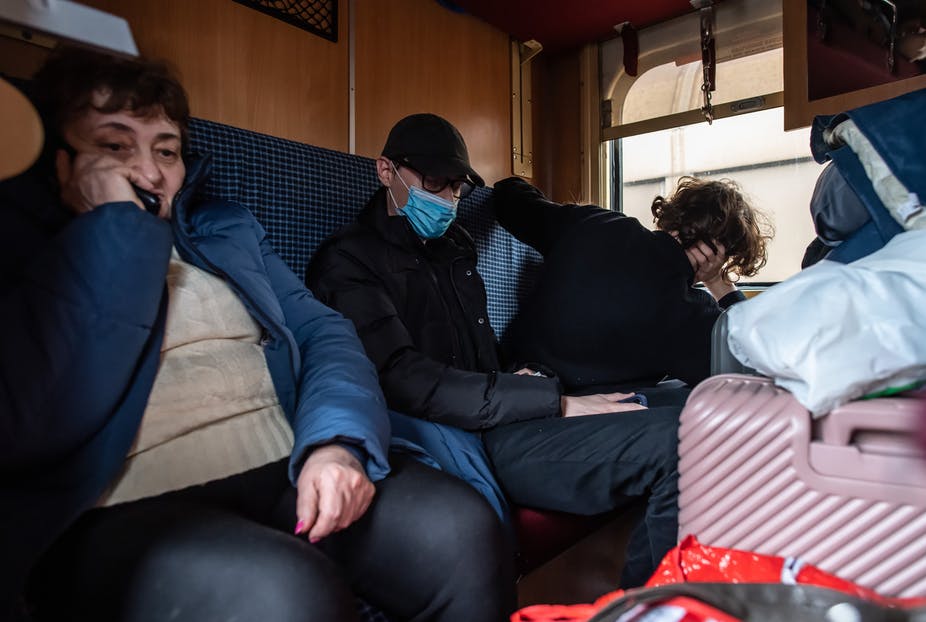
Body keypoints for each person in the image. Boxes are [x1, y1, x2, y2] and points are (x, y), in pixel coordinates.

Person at [0, 51, 512, 622]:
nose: (148, 173)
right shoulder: (28, 250)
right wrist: (113, 231)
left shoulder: (227, 231)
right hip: (122, 504)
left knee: (459, 529)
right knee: (281, 590)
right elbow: (31, 419)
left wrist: (335, 443)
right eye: (115, 146)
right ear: (62, 160)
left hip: (281, 462)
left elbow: (325, 334)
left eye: (165, 150)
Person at [306, 113, 681, 588]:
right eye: (436, 183)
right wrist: (555, 402)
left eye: (457, 189)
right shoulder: (348, 262)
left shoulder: (452, 249)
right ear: (386, 172)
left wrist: (524, 376)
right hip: (465, 435)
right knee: (683, 441)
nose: (448, 201)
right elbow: (402, 378)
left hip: (500, 411)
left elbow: (478, 355)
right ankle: (650, 613)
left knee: (690, 404)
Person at [493, 175, 773, 394]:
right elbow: (750, 367)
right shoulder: (686, 313)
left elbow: (508, 197)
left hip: (507, 378)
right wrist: (718, 283)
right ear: (719, 256)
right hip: (570, 410)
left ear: (673, 214)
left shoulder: (601, 223)